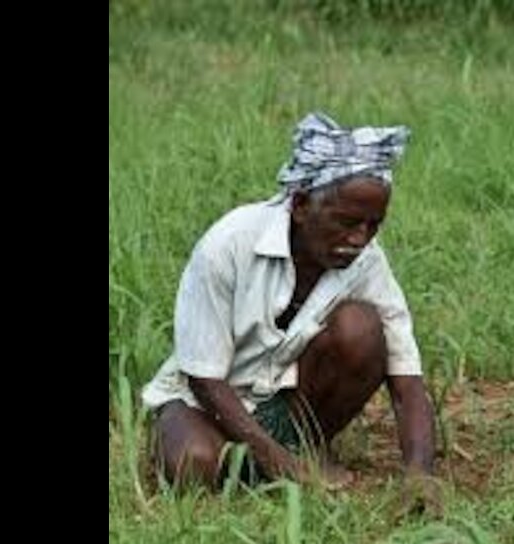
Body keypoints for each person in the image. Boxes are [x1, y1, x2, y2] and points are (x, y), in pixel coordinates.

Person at [141, 112, 441, 513]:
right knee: (193, 465)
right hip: (206, 403)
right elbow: (204, 379)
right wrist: (278, 462)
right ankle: (273, 464)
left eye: (373, 225)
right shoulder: (229, 244)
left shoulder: (366, 262)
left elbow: (407, 383)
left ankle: (299, 451)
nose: (359, 239)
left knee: (362, 328)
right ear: (300, 205)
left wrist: (420, 474)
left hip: (284, 403)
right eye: (347, 222)